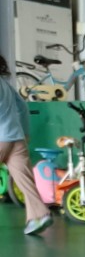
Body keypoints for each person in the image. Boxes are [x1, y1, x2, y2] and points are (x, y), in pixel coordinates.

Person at [0, 55, 52, 235]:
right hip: (16, 137)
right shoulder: (5, 84)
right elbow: (22, 106)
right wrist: (26, 133)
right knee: (25, 180)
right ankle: (39, 215)